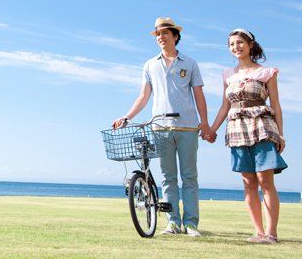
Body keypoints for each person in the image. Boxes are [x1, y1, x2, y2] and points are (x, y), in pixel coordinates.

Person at [112, 17, 212, 237]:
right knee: (168, 177)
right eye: (158, 34)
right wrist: (126, 117)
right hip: (160, 127)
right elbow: (143, 96)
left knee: (189, 177)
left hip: (187, 127)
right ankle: (173, 222)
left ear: (175, 36)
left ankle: (191, 224)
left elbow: (199, 95)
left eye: (165, 32)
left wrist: (204, 123)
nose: (161, 36)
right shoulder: (150, 64)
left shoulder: (190, 63)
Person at [206, 28, 287, 244]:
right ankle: (259, 232)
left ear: (250, 44)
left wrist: (281, 134)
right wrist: (212, 129)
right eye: (231, 44)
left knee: (265, 180)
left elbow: (276, 105)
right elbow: (225, 106)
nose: (236, 47)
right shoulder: (227, 75)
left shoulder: (266, 72)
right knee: (248, 181)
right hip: (236, 129)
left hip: (262, 126)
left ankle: (271, 234)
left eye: (240, 42)